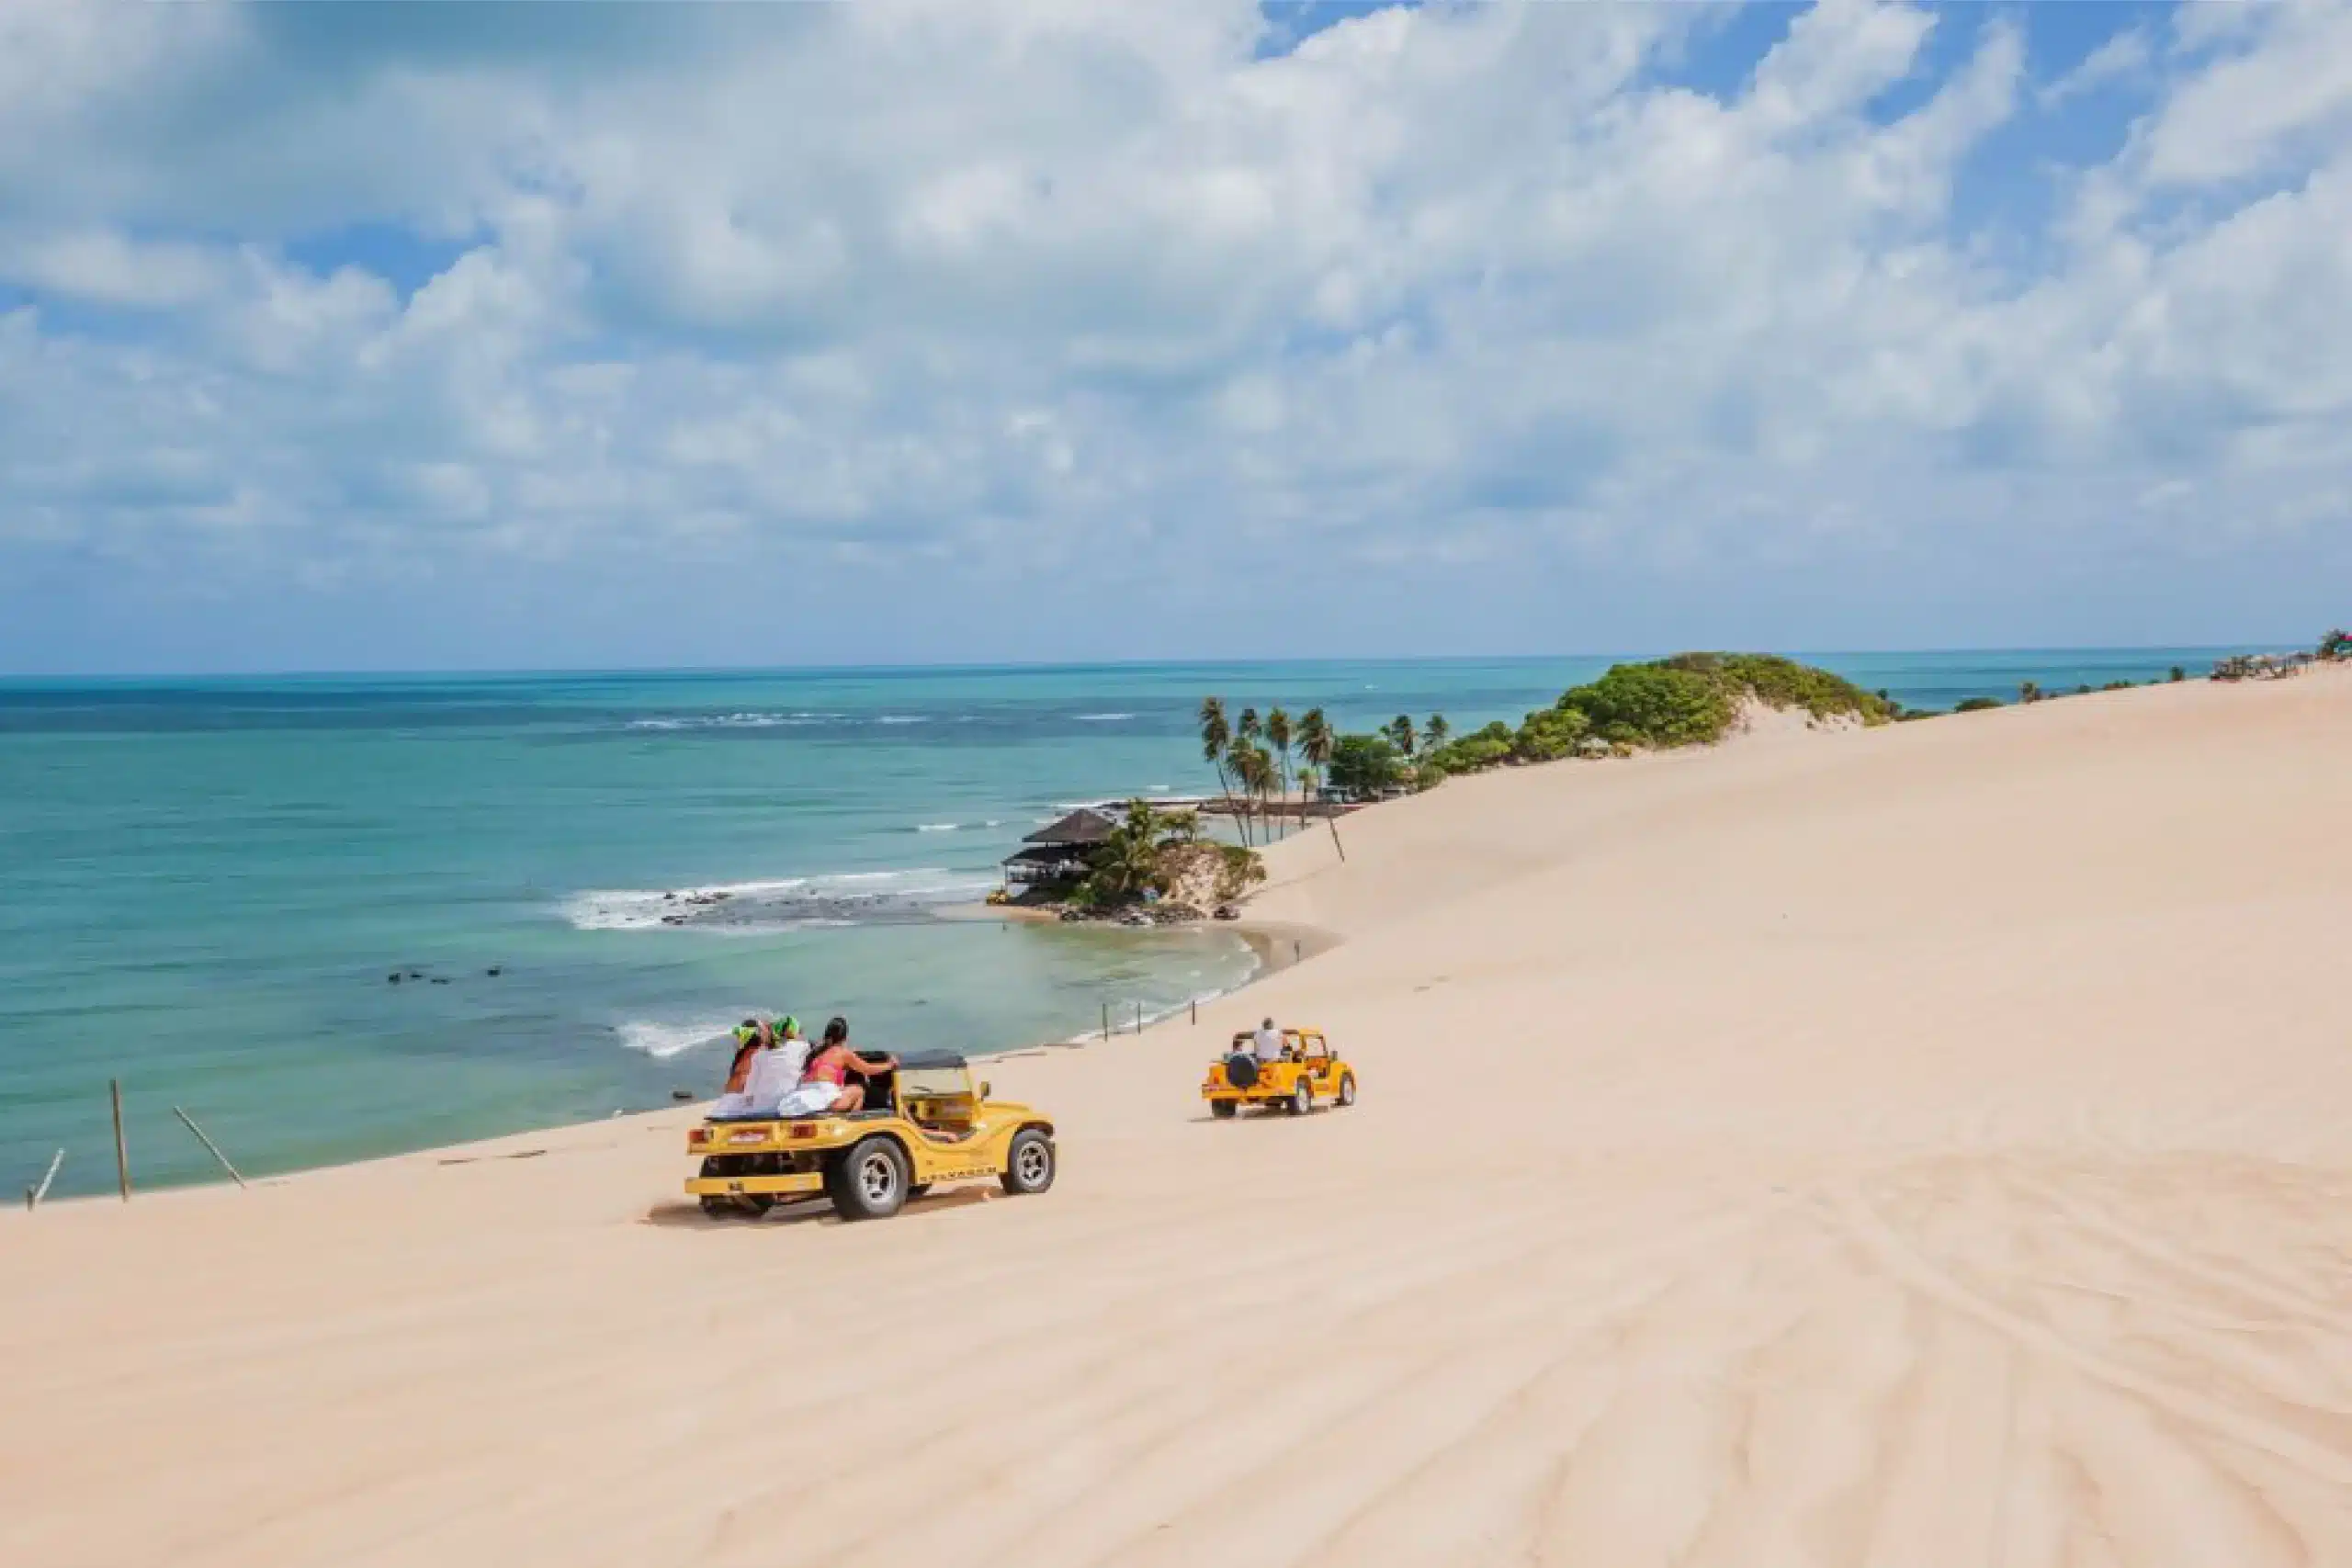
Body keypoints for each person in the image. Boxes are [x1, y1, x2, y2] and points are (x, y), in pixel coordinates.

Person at [778, 1017, 898, 1117]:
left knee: (839, 1089)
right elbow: (868, 1069)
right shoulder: (843, 1053)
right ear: (845, 1038)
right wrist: (889, 1064)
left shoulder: (816, 1052)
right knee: (859, 1090)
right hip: (824, 1097)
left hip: (803, 1095)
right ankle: (851, 1123)